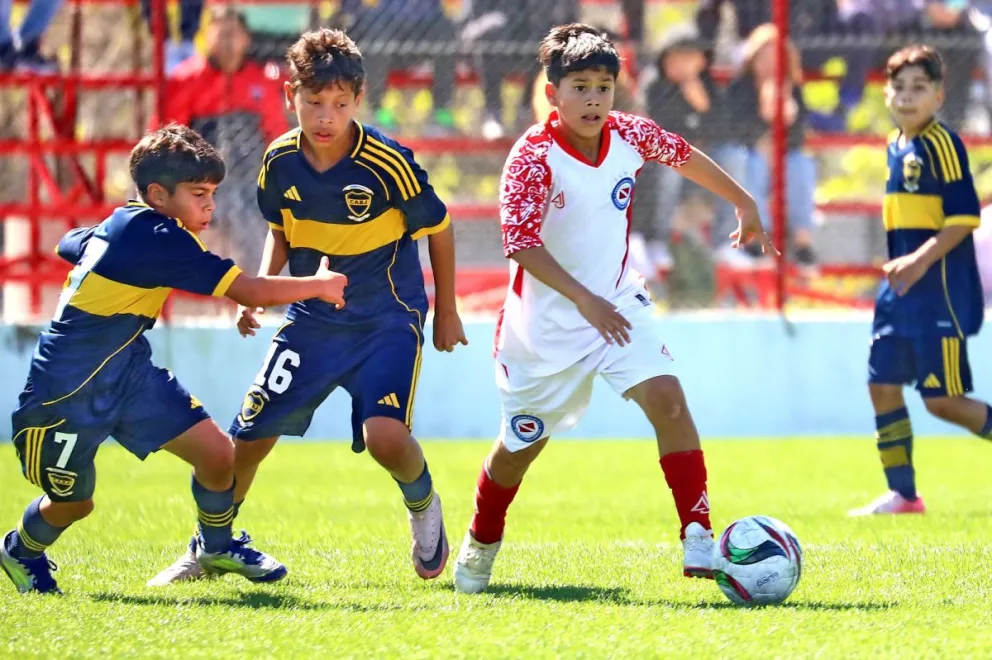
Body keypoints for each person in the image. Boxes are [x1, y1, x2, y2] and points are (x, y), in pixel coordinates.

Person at [450, 23, 775, 594]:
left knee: (668, 399)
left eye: (603, 87)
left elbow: (682, 155)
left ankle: (698, 535)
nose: (594, 99)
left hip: (618, 304)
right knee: (519, 450)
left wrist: (744, 200)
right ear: (552, 93)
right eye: (580, 87)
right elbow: (520, 244)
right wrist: (583, 299)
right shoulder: (531, 157)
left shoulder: (629, 133)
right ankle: (481, 540)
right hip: (545, 329)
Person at [148, 29, 467, 586]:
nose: (326, 116)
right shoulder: (279, 162)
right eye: (314, 101)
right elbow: (282, 229)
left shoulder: (388, 162)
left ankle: (423, 505)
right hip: (312, 321)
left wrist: (448, 311)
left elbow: (439, 228)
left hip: (385, 320)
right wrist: (263, 290)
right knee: (247, 439)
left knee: (385, 438)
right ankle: (209, 546)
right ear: (289, 95)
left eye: (340, 104)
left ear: (358, 99)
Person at [1, 124, 348, 594]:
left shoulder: (130, 224)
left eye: (213, 194)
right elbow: (248, 289)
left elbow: (71, 242)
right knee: (74, 504)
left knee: (218, 455)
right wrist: (320, 285)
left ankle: (215, 546)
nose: (210, 206)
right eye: (199, 194)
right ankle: (20, 550)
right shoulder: (159, 237)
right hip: (65, 393)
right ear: (158, 195)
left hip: (129, 373)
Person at [851, 44, 992, 517]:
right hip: (899, 292)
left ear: (938, 96)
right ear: (887, 94)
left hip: (938, 293)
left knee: (943, 401)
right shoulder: (895, 145)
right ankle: (904, 496)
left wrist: (917, 260)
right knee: (882, 384)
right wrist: (902, 266)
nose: (907, 96)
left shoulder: (942, 143)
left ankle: (905, 495)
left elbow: (965, 216)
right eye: (899, 87)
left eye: (919, 87)